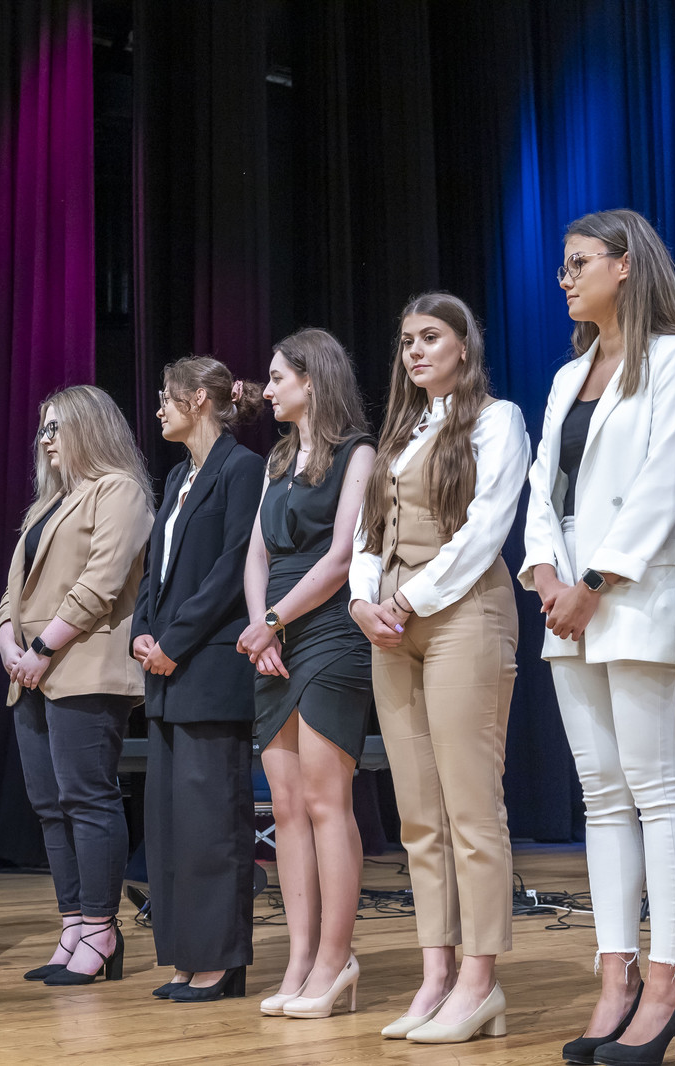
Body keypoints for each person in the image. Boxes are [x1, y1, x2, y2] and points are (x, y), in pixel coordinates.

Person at [522, 210, 675, 1066]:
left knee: (657, 788)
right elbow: (542, 490)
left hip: (632, 597)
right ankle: (616, 978)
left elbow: (664, 486)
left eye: (579, 263)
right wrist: (546, 576)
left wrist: (594, 583)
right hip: (567, 602)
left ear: (626, 264)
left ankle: (667, 984)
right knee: (601, 796)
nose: (565, 278)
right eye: (563, 266)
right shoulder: (568, 376)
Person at [348, 293, 529, 1044]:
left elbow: (487, 528)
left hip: (462, 615)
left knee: (471, 807)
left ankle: (481, 981)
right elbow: (368, 532)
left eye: (430, 337)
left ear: (463, 345)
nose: (415, 351)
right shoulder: (401, 432)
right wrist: (363, 601)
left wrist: (407, 600)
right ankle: (436, 976)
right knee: (419, 813)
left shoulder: (496, 420)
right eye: (407, 341)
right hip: (391, 627)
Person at [0, 385, 153, 986]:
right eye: (42, 428)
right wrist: (9, 642)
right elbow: (13, 592)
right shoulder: (48, 505)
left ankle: (101, 929)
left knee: (87, 799)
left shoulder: (120, 490)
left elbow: (102, 582)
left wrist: (41, 648)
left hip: (83, 666)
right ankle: (72, 927)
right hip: (30, 670)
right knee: (49, 806)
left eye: (56, 427)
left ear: (90, 428)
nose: (45, 439)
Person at [240, 328, 375, 1021]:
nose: (266, 391)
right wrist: (261, 625)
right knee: (286, 805)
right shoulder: (277, 459)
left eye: (276, 377)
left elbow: (343, 556)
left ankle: (335, 958)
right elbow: (256, 555)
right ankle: (299, 958)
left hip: (328, 631)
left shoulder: (359, 453)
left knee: (326, 801)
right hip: (274, 633)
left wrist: (275, 620)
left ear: (312, 379)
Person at [131, 357, 266, 1004]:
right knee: (172, 826)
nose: (159, 407)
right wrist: (141, 629)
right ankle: (186, 955)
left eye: (167, 397)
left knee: (212, 823)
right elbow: (155, 568)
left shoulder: (242, 469)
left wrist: (175, 641)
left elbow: (233, 567)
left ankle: (219, 961)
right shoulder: (179, 476)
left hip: (207, 667)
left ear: (200, 400)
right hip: (165, 672)